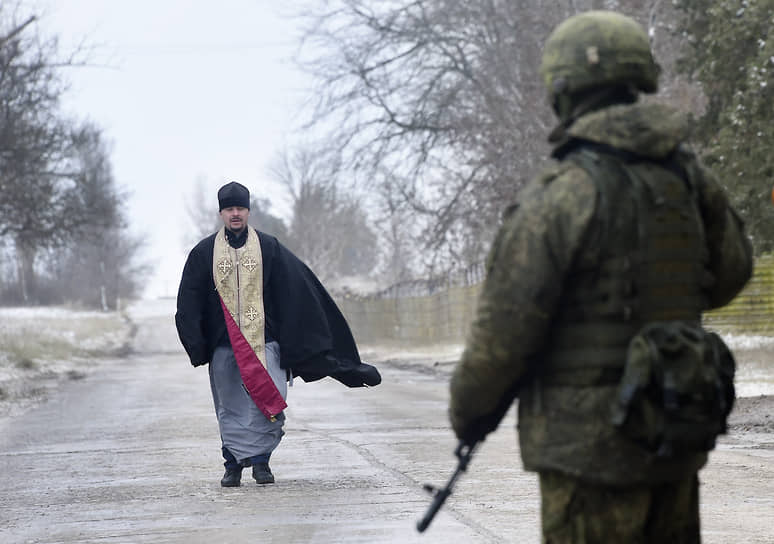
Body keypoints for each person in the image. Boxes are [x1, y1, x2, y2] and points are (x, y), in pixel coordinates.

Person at [448, 10, 753, 543]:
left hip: (588, 452)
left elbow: (502, 338)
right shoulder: (685, 174)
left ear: (563, 88)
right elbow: (731, 273)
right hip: (673, 429)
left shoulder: (560, 192)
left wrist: (469, 415)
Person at [176, 181, 381, 487]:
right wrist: (198, 344)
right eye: (229, 209)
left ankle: (261, 464)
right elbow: (189, 300)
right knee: (230, 405)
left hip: (266, 342)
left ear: (248, 210)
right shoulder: (204, 253)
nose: (235, 214)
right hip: (224, 345)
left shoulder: (269, 248)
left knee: (268, 399)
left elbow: (299, 291)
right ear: (221, 212)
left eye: (240, 208)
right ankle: (232, 465)